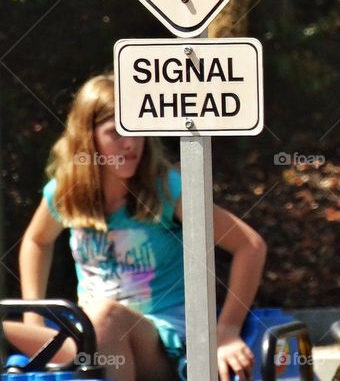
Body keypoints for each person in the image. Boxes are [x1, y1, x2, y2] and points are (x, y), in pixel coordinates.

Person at [2, 74, 267, 381]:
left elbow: (250, 245)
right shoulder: (66, 191)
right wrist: (34, 316)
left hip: (163, 345)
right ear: (87, 137)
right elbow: (36, 241)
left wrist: (227, 331)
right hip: (87, 340)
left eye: (138, 130)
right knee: (88, 323)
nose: (131, 144)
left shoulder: (166, 189)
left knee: (105, 315)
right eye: (116, 132)